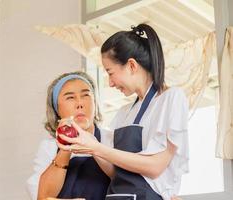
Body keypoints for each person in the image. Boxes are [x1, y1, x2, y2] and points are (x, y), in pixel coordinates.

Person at [57, 24, 189, 200]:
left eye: (110, 73)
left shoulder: (171, 99)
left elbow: (155, 167)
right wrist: (89, 144)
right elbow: (115, 173)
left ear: (132, 66)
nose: (110, 83)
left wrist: (97, 147)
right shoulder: (124, 112)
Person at [27, 71, 112, 200]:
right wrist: (65, 147)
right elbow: (42, 196)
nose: (79, 103)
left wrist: (93, 147)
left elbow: (125, 182)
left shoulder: (112, 139)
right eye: (70, 97)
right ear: (57, 109)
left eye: (86, 95)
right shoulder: (48, 147)